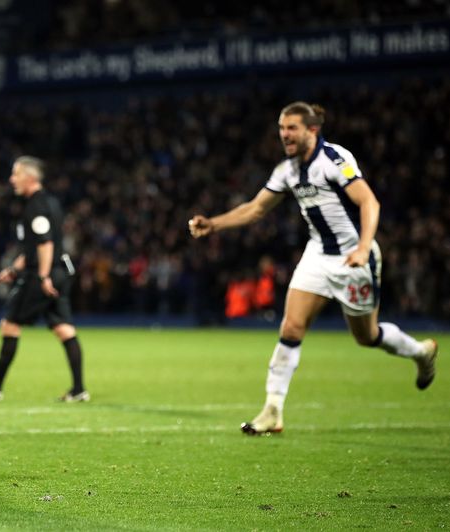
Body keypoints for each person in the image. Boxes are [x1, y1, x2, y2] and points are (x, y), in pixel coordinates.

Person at [188, 102, 438, 435]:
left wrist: (364, 248)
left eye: (291, 128)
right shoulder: (288, 170)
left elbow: (369, 202)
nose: (284, 134)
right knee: (291, 328)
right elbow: (255, 209)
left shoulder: (334, 160)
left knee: (367, 336)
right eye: (281, 128)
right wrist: (214, 224)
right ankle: (273, 410)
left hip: (354, 258)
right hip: (318, 255)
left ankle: (420, 352)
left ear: (311, 130)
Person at [0, 156, 88, 402]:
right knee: (64, 329)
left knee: (10, 324)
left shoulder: (36, 206)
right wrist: (13, 269)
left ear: (30, 177)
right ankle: (78, 390)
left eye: (16, 174)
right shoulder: (50, 202)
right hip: (60, 271)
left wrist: (43, 277)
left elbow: (45, 244)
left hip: (44, 274)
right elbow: (34, 246)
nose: (12, 179)